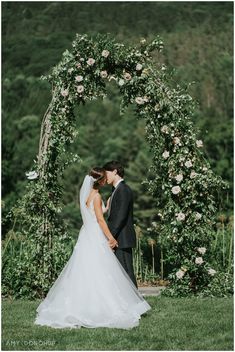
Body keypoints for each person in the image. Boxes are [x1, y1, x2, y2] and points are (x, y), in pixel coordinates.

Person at [34, 167, 151, 329]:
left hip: (86, 234)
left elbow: (95, 214)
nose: (105, 180)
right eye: (103, 178)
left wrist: (106, 207)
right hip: (95, 235)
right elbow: (101, 221)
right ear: (100, 181)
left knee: (86, 269)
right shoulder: (96, 197)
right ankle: (102, 307)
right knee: (101, 270)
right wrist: (111, 238)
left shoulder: (87, 197)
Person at [103, 161, 138, 287]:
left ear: (115, 172)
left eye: (106, 173)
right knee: (121, 272)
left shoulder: (123, 189)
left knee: (126, 271)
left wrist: (111, 237)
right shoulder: (116, 190)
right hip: (118, 237)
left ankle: (136, 302)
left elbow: (120, 217)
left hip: (122, 238)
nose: (104, 177)